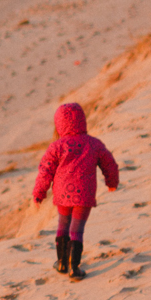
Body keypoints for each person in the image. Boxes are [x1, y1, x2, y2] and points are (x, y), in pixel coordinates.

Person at [32, 101, 120, 281]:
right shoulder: (93, 144)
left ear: (59, 125)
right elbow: (109, 163)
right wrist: (112, 181)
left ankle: (62, 262)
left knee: (62, 225)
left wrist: (39, 194)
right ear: (82, 122)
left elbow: (45, 171)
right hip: (84, 195)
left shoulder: (56, 146)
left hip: (62, 195)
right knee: (77, 230)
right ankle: (74, 268)